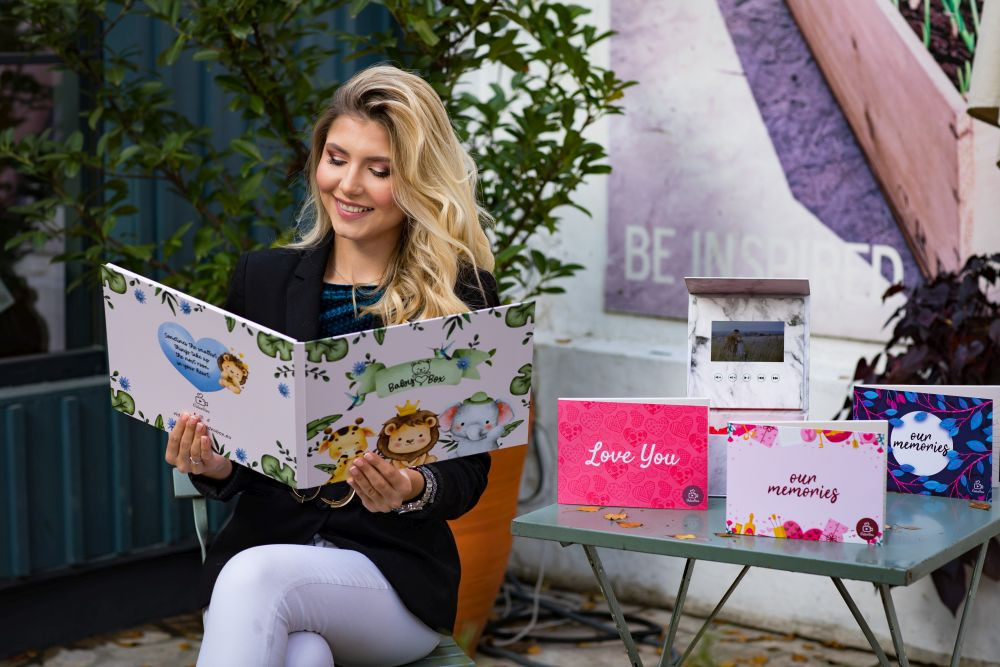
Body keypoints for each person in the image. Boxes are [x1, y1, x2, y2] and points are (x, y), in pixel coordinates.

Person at [164, 65, 500, 667]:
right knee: (303, 656)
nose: (348, 184)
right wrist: (215, 464)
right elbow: (245, 445)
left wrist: (413, 487)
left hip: (389, 577)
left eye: (379, 170)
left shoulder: (459, 296)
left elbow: (469, 472)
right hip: (269, 550)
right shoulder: (263, 279)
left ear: (417, 182)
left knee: (253, 578)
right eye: (336, 159)